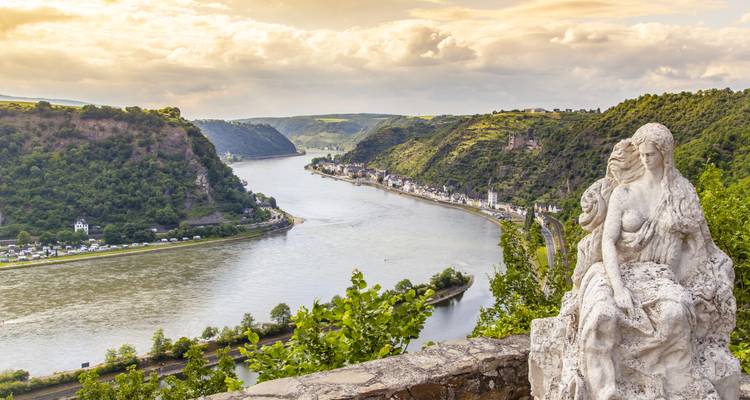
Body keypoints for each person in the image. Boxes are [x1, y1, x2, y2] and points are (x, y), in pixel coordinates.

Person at [530, 123, 739, 400]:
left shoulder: (681, 194)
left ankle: (665, 384)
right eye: (640, 154)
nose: (644, 160)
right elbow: (607, 242)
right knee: (602, 316)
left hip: (659, 276)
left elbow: (700, 246)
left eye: (650, 154)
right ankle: (605, 392)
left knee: (675, 314)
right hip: (613, 271)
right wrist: (618, 288)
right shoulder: (624, 193)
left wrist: (686, 282)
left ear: (664, 154)